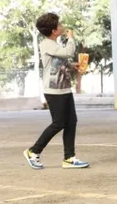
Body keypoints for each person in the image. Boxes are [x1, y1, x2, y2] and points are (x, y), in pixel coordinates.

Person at [24, 13, 89, 170]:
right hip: (53, 90)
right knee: (58, 123)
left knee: (71, 122)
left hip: (64, 88)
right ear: (53, 30)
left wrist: (71, 66)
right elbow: (67, 52)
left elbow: (59, 61)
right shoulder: (47, 44)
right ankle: (33, 151)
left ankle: (69, 158)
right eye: (59, 25)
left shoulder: (54, 44)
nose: (62, 26)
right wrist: (71, 38)